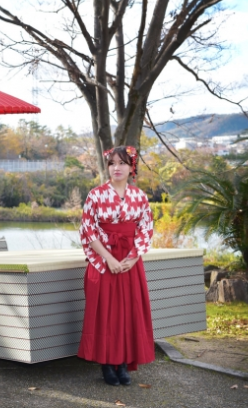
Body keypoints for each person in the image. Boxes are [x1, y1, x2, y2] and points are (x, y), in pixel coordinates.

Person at [77, 145, 154, 386]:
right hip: (103, 258)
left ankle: (123, 363)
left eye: (122, 163)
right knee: (105, 312)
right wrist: (108, 259)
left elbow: (146, 229)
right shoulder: (96, 194)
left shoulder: (139, 197)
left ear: (132, 167)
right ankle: (107, 364)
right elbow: (88, 229)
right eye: (112, 163)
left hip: (130, 259)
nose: (116, 168)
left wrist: (131, 259)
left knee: (127, 311)